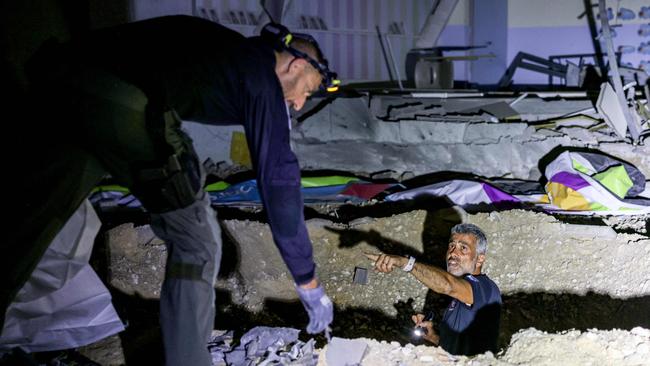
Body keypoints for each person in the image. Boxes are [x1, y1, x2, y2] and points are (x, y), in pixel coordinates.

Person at [2, 15, 336, 366]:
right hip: (121, 95)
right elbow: (279, 181)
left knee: (34, 219)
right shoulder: (261, 77)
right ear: (296, 64)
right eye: (307, 90)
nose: (299, 104)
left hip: (65, 79)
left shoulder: (231, 48)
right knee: (197, 240)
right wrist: (307, 282)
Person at [365, 223, 501, 356]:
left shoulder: (485, 286)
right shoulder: (461, 298)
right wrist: (433, 337)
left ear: (479, 259)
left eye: (463, 248)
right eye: (451, 246)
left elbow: (448, 286)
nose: (453, 253)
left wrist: (406, 263)